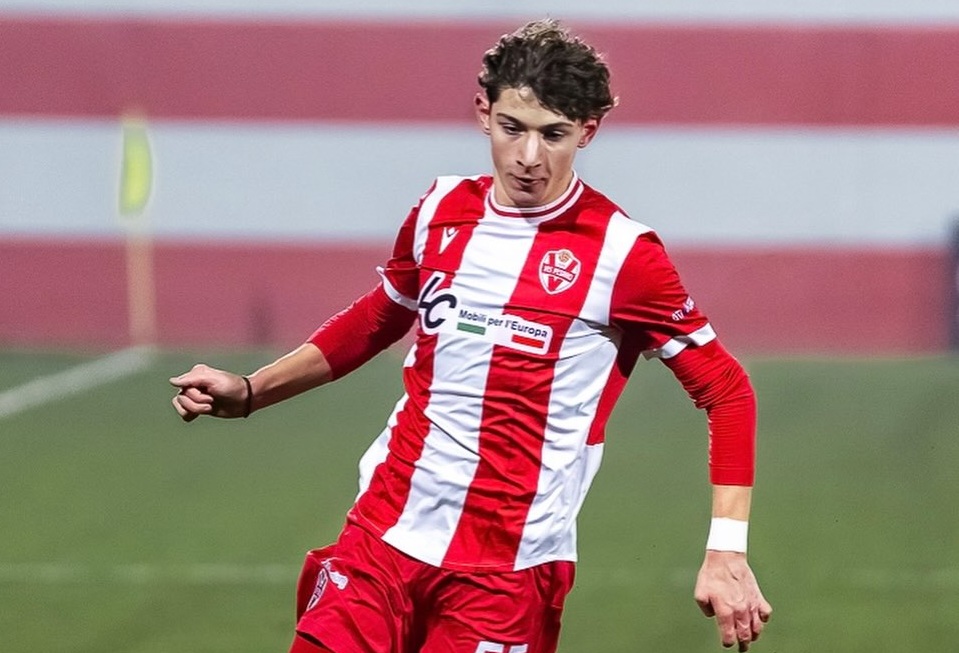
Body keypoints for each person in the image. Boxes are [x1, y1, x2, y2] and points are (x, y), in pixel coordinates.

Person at [170, 18, 772, 653]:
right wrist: (253, 390)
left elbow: (727, 391)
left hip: (507, 573)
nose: (529, 156)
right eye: (512, 128)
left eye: (553, 134)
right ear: (484, 113)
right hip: (383, 535)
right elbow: (382, 315)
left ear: (588, 131)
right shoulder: (440, 209)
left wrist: (726, 552)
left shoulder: (624, 254)